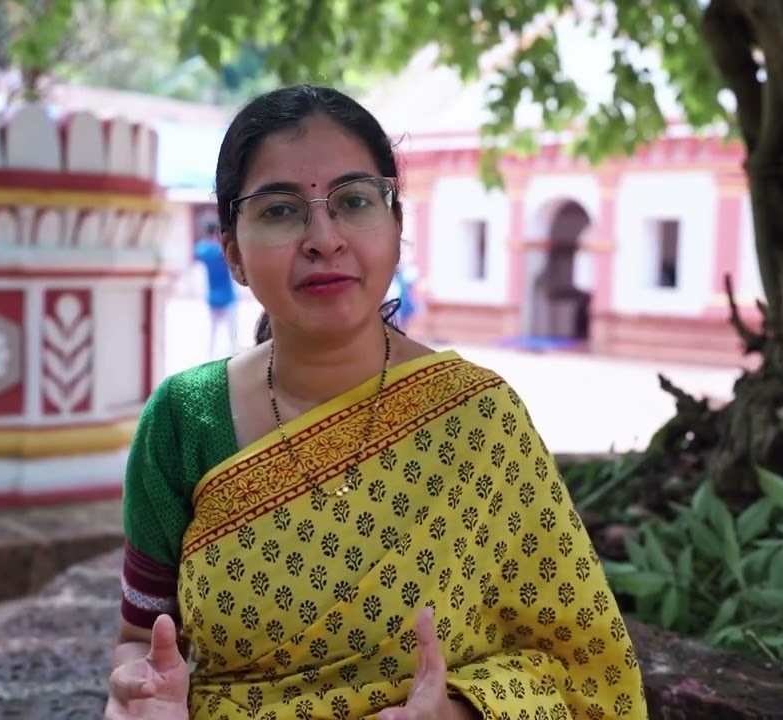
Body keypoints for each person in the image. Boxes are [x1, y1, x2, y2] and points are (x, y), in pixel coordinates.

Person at [106, 85, 646, 720]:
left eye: (354, 201)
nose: (323, 238)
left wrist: (458, 713)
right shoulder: (182, 420)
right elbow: (139, 643)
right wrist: (142, 700)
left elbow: (589, 673)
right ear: (233, 254)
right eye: (280, 211)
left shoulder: (477, 418)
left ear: (395, 228)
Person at [194, 222, 239, 359]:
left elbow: (196, 251)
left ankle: (210, 357)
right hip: (228, 295)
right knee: (232, 333)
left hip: (212, 296)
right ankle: (234, 356)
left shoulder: (203, 250)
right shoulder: (224, 251)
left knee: (212, 332)